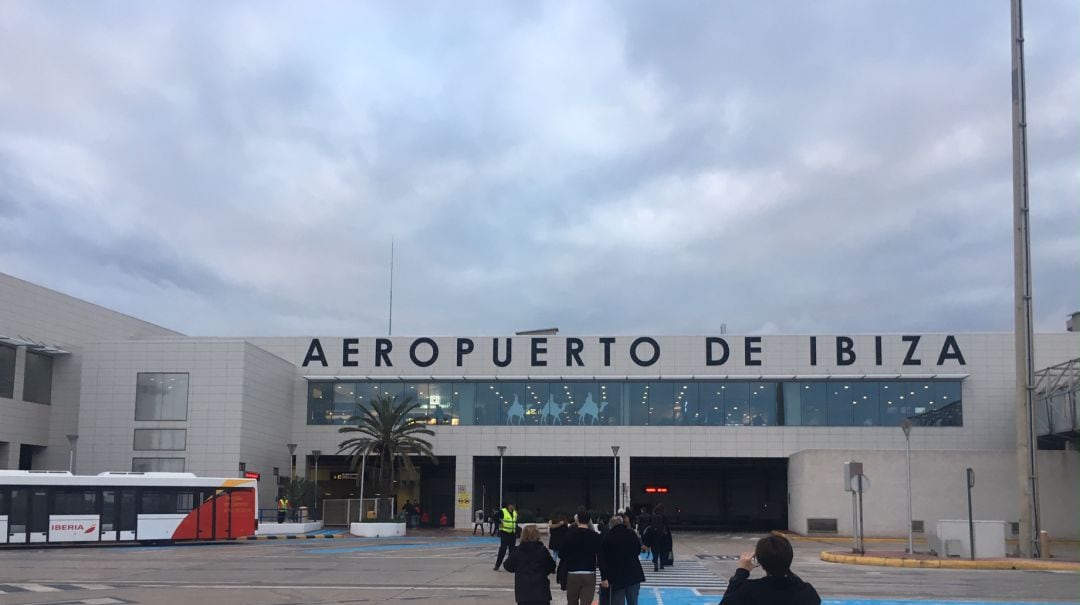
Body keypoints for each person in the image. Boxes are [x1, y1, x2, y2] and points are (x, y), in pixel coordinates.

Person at [719, 534, 821, 605]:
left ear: (761, 563)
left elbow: (727, 602)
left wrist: (741, 572)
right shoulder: (806, 592)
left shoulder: (749, 591)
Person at [503, 524, 557, 605]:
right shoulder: (542, 550)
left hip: (523, 592)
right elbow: (552, 566)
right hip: (541, 591)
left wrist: (518, 569)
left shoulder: (517, 550)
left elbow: (507, 566)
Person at [559, 511, 603, 605]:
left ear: (577, 520)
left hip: (572, 573)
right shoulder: (595, 536)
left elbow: (561, 554)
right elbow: (601, 557)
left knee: (572, 601)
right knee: (586, 602)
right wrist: (604, 576)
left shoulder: (569, 536)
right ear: (589, 521)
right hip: (589, 573)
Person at [600, 515, 646, 605]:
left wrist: (604, 577)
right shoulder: (631, 534)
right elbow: (637, 550)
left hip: (616, 577)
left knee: (617, 602)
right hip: (633, 574)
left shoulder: (607, 537)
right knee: (633, 601)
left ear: (611, 525)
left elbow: (603, 559)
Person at [642, 504, 671, 572]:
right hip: (662, 536)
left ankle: (655, 564)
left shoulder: (652, 517)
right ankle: (662, 564)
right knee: (662, 550)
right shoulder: (664, 517)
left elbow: (647, 525)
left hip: (654, 536)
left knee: (655, 550)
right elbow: (667, 526)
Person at [493, 502, 519, 571]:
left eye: (514, 505)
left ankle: (511, 566)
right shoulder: (503, 511)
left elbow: (515, 522)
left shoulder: (515, 513)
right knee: (503, 549)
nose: (514, 507)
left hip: (512, 534)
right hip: (505, 533)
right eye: (513, 505)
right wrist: (499, 523)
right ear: (509, 505)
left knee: (512, 551)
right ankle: (497, 565)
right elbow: (495, 517)